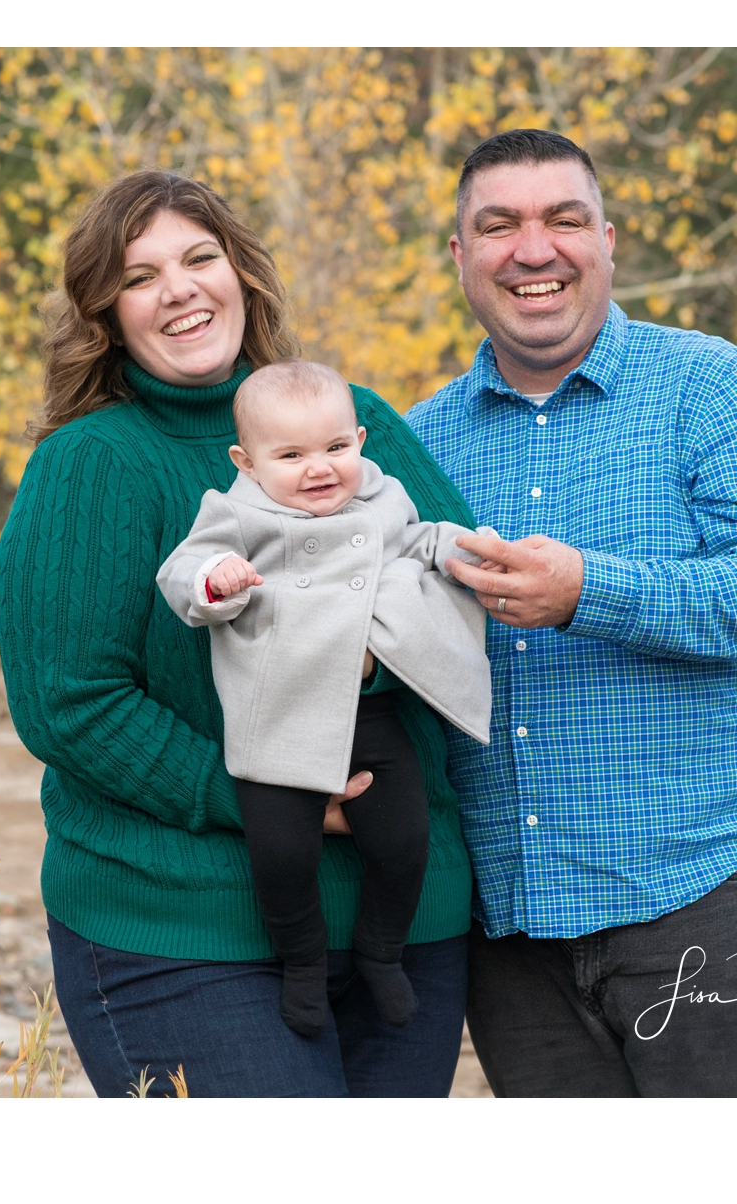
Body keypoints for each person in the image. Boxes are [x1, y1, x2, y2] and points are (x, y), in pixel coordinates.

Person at [0, 171, 479, 1097]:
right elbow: (69, 704)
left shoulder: (356, 423)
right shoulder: (90, 466)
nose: (179, 288)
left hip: (404, 925)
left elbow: (453, 586)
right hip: (185, 927)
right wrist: (262, 796)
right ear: (108, 314)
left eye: (199, 258)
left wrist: (363, 662)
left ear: (242, 276)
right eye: (140, 276)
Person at [404, 128, 737, 1097]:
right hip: (511, 931)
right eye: (498, 224)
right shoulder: (417, 440)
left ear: (608, 239)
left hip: (703, 900)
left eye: (563, 219)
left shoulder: (710, 384)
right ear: (461, 256)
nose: (533, 249)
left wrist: (588, 592)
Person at [156, 360, 493, 1038]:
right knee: (281, 855)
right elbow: (182, 570)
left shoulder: (380, 497)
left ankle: (380, 950)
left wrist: (465, 548)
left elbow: (422, 538)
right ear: (246, 462)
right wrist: (216, 579)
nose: (319, 468)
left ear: (360, 440)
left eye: (336, 447)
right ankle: (302, 963)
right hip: (278, 718)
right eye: (291, 455)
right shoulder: (235, 511)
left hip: (370, 714)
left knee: (403, 842)